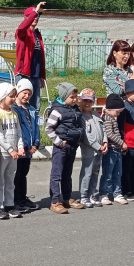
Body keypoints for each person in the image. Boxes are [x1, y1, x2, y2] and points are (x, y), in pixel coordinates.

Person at [46, 82, 84, 213]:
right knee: (57, 175)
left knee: (67, 174)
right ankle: (55, 201)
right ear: (63, 97)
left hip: (72, 146)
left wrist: (78, 139)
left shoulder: (75, 109)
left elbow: (78, 125)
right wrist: (59, 142)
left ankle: (67, 198)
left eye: (76, 96)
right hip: (61, 147)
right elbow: (49, 129)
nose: (75, 99)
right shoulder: (57, 110)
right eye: (72, 97)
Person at [0, 82, 24, 220]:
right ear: (3, 97)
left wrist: (20, 147)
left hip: (14, 154)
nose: (14, 99)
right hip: (3, 154)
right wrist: (10, 150)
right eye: (11, 96)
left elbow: (19, 133)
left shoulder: (14, 113)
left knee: (10, 180)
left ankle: (9, 204)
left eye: (15, 96)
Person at [12, 79, 40, 213]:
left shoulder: (32, 109)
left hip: (29, 149)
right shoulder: (14, 109)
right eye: (24, 92)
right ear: (17, 92)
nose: (26, 96)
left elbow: (35, 128)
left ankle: (22, 198)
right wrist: (23, 145)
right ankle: (15, 199)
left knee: (23, 174)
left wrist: (35, 144)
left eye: (29, 94)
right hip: (20, 148)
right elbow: (17, 130)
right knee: (16, 176)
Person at [15, 2, 47, 111]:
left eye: (38, 16)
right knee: (20, 105)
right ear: (26, 17)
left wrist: (42, 75)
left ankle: (34, 127)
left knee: (35, 107)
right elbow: (22, 28)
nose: (36, 18)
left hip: (36, 75)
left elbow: (40, 58)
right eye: (33, 15)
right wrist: (35, 12)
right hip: (24, 74)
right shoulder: (22, 33)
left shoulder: (37, 35)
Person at [78, 88, 107, 208]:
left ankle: (91, 194)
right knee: (87, 173)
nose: (87, 103)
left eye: (90, 101)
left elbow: (103, 129)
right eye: (84, 100)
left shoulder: (96, 115)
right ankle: (83, 196)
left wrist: (105, 142)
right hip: (89, 150)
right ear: (80, 100)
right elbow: (86, 136)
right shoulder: (81, 117)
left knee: (95, 172)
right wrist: (98, 146)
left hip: (100, 150)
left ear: (93, 102)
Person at [99, 94, 127, 205]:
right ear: (110, 110)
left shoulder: (113, 118)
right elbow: (110, 134)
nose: (119, 114)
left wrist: (121, 146)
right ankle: (103, 193)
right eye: (118, 111)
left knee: (118, 173)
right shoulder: (107, 119)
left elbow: (117, 134)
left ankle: (117, 193)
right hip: (110, 150)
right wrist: (122, 143)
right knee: (107, 173)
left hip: (117, 150)